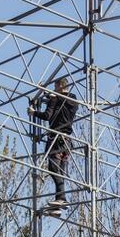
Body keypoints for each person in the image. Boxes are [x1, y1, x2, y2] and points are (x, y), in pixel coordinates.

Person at [28, 78, 78, 211]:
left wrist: (34, 112)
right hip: (67, 141)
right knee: (60, 171)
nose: (54, 90)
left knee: (53, 167)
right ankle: (59, 201)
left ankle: (61, 198)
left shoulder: (56, 99)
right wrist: (49, 94)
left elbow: (47, 116)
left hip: (56, 139)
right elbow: (65, 101)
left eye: (55, 87)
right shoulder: (73, 100)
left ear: (60, 86)